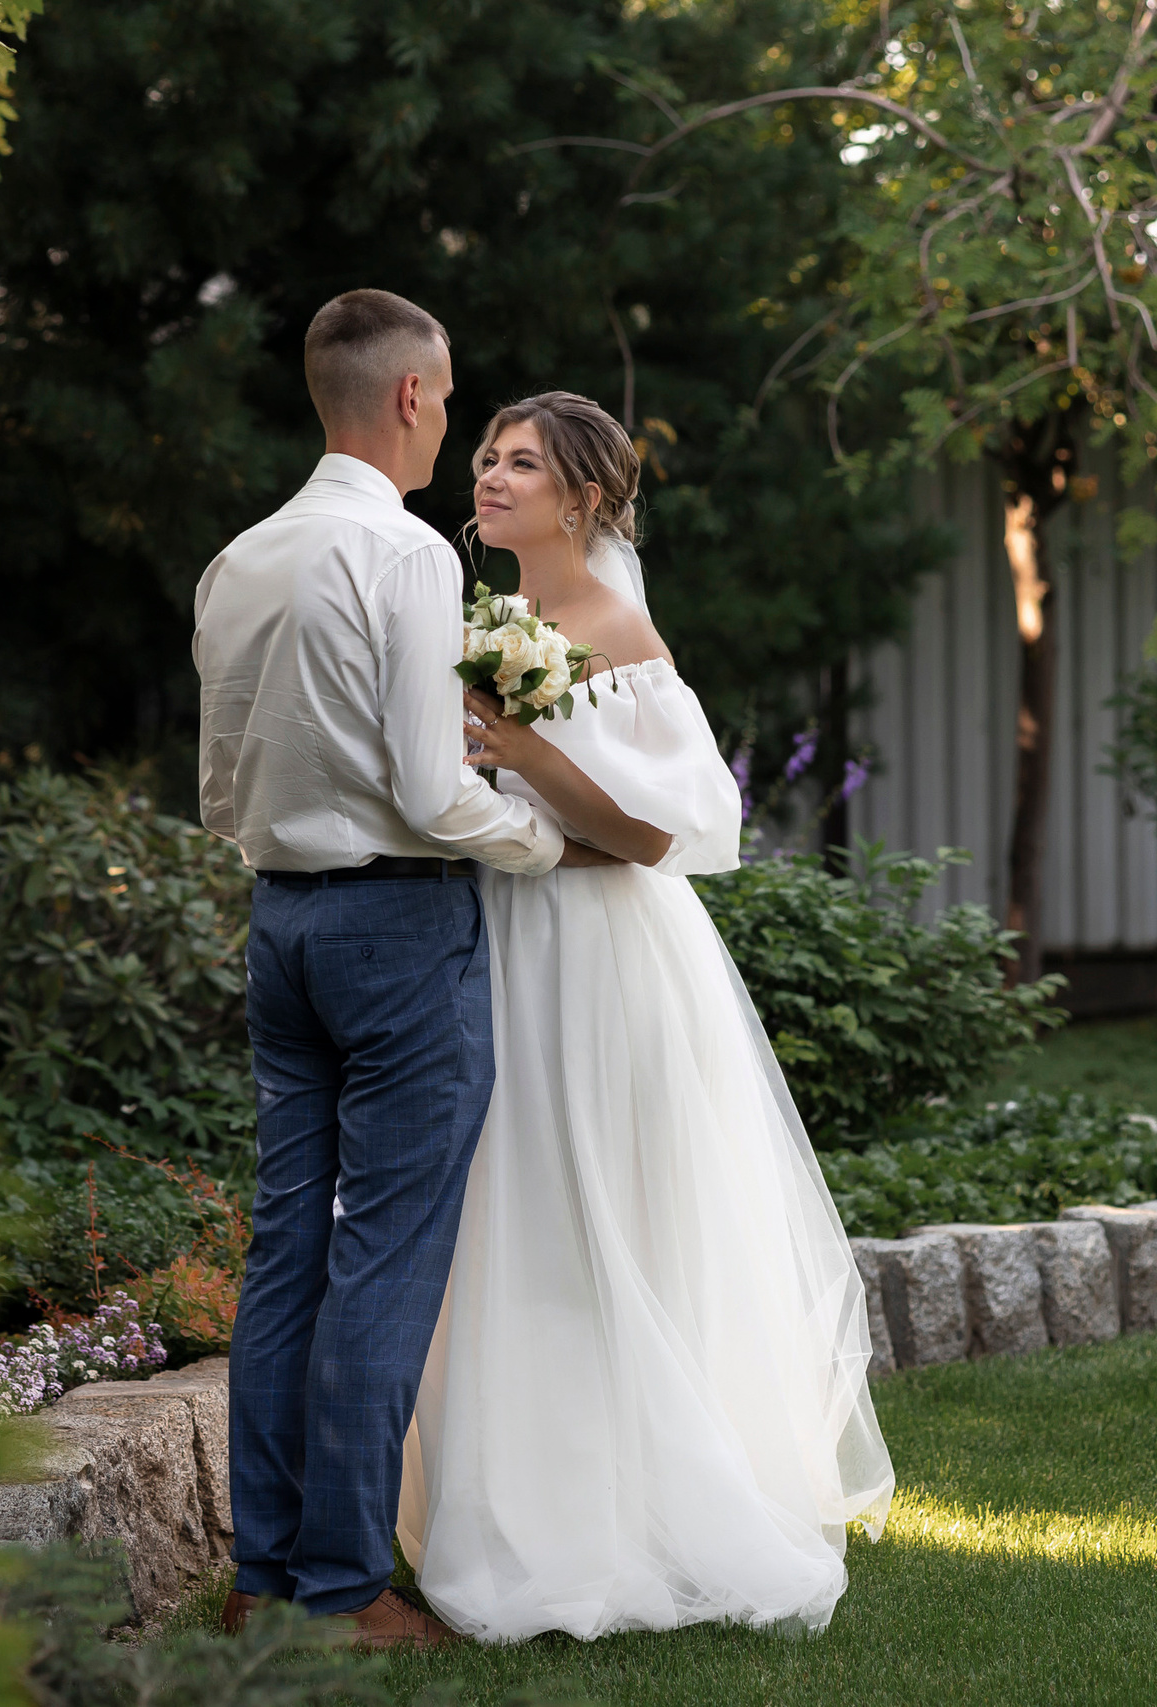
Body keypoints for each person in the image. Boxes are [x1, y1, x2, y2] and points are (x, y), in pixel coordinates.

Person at [397, 392, 896, 1642]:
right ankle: (516, 1503)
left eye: (522, 463)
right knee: (506, 1215)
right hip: (499, 937)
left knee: (595, 1211)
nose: (491, 475)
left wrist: (526, 755)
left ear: (582, 500)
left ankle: (634, 1519)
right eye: (488, 456)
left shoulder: (618, 632)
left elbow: (665, 832)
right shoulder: (486, 624)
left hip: (596, 954)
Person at [191, 292, 613, 1651]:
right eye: (452, 401)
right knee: (381, 1256)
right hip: (397, 930)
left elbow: (216, 791)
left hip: (281, 927)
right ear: (413, 396)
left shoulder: (239, 558)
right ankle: (341, 1591)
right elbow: (436, 792)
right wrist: (543, 842)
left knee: (286, 1251)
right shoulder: (405, 554)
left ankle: (263, 1575)